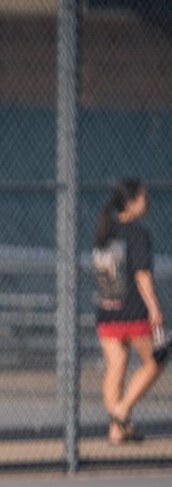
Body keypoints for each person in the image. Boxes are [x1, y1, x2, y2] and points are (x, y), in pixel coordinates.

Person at [92, 177, 164, 445]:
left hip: (107, 312)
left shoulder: (104, 231)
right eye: (143, 197)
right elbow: (141, 275)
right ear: (131, 202)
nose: (147, 201)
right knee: (156, 360)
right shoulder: (137, 233)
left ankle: (116, 430)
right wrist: (154, 308)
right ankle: (122, 411)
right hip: (133, 313)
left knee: (116, 367)